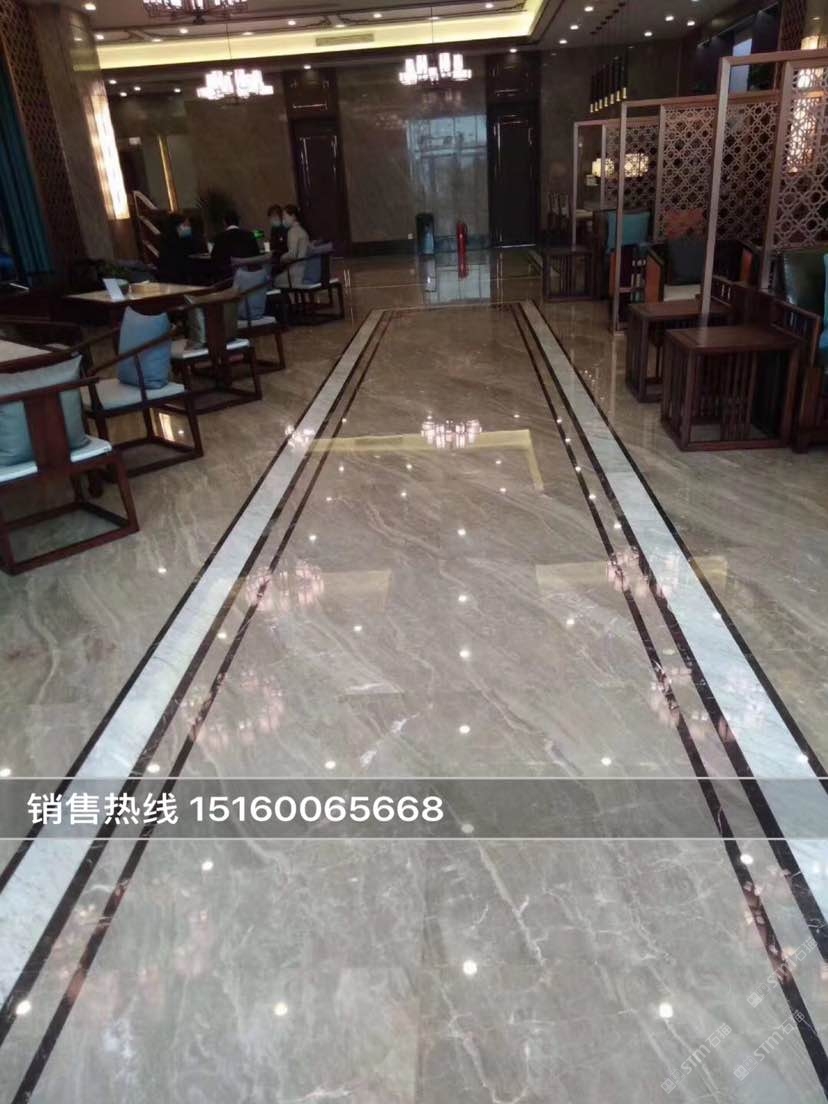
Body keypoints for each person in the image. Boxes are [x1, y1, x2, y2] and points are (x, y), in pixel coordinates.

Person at [156, 212, 205, 285]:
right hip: (184, 275)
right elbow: (198, 245)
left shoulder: (165, 237)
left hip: (167, 277)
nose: (188, 226)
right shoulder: (183, 234)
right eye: (186, 224)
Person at [210, 210, 259, 280]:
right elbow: (256, 255)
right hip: (249, 275)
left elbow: (214, 259)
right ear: (238, 221)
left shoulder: (219, 238)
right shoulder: (249, 234)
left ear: (224, 222)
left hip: (227, 278)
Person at [275, 205, 311, 287]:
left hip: (297, 272)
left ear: (293, 216)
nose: (283, 220)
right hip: (305, 269)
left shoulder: (292, 231)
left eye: (284, 216)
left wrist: (281, 258)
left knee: (275, 281)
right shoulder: (302, 230)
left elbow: (292, 254)